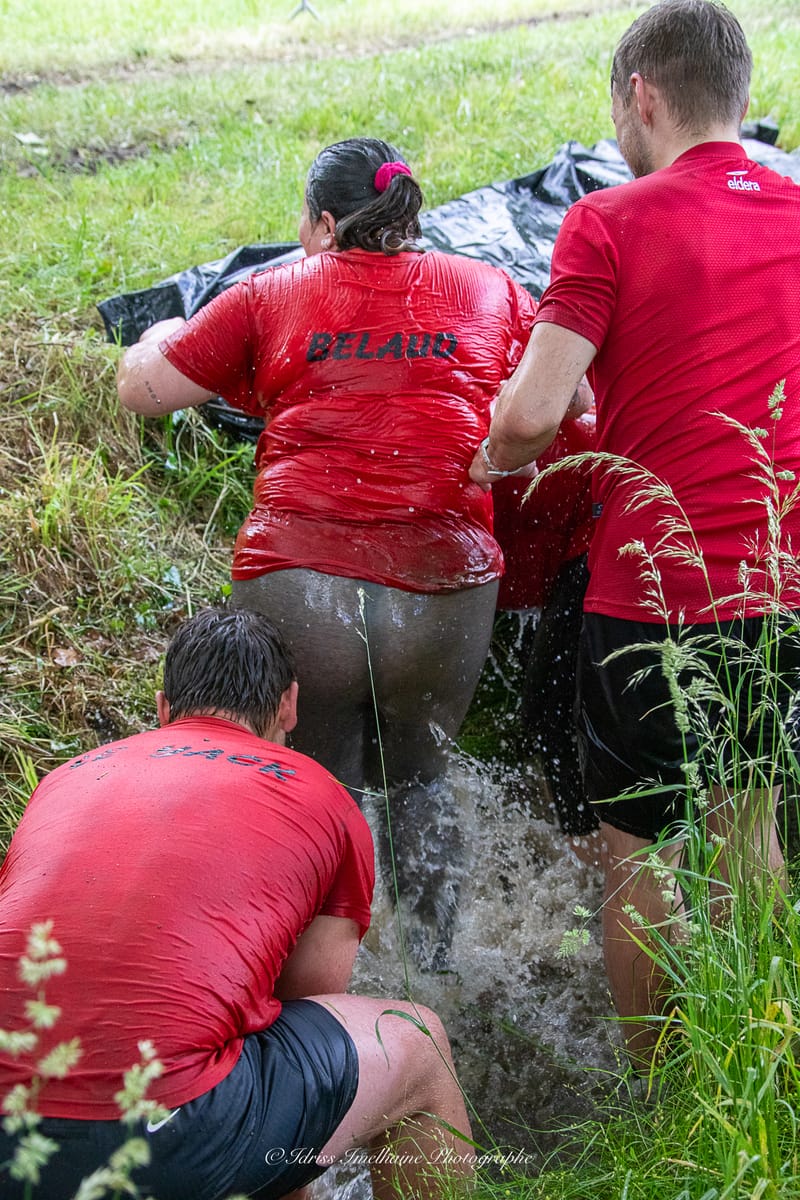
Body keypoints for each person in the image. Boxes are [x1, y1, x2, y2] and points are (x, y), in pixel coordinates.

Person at [470, 0, 800, 1067]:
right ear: (740, 97)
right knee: (749, 825)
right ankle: (754, 1062)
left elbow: (530, 413)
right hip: (780, 580)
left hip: (653, 593)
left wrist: (490, 453)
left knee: (639, 854)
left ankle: (658, 1091)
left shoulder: (606, 220)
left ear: (639, 96)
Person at [116, 136, 538, 962]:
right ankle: (439, 973)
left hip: (302, 582)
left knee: (311, 788)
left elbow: (144, 390)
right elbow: (570, 397)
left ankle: (321, 982)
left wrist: (159, 332)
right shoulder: (492, 287)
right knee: (421, 777)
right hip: (444, 584)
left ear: (319, 223)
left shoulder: (270, 291)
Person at [0, 609, 474, 1199]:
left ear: (164, 708)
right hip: (167, 1134)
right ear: (290, 705)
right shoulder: (322, 795)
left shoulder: (65, 778)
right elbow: (303, 1008)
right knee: (416, 1040)